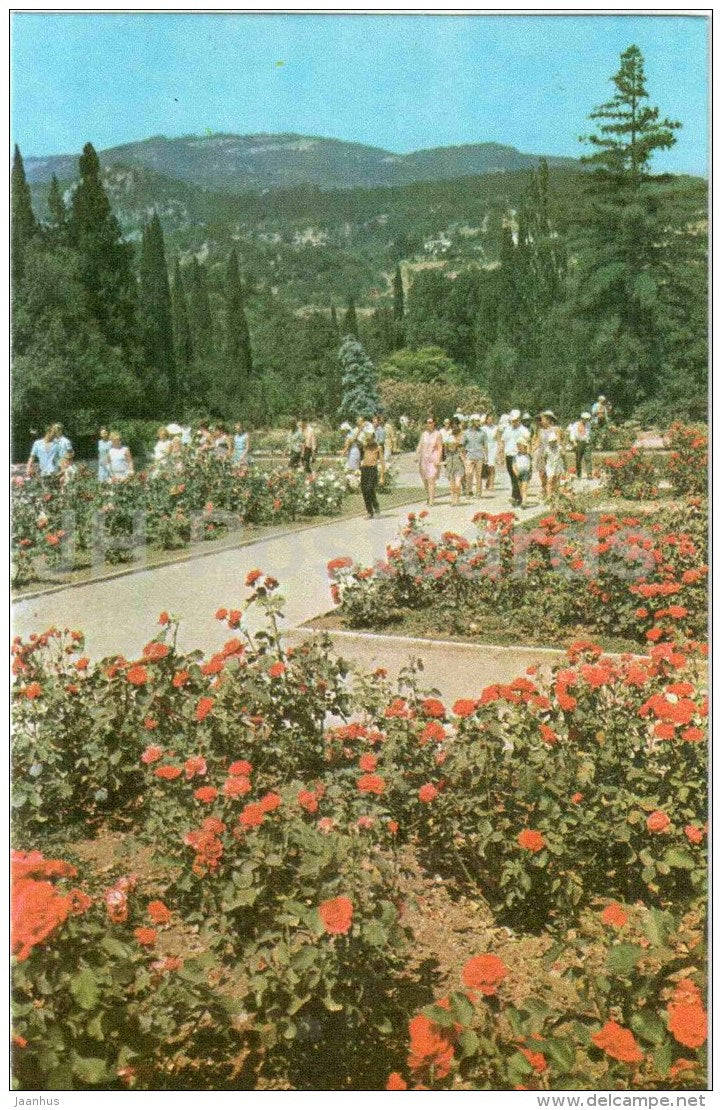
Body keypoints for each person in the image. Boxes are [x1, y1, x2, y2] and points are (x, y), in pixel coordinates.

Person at [416, 415, 443, 506]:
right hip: (424, 459)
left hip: (433, 459)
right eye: (427, 423)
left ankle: (431, 499)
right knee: (425, 479)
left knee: (431, 479)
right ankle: (428, 496)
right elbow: (420, 445)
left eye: (430, 422)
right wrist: (416, 455)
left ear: (434, 423)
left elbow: (440, 447)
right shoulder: (424, 434)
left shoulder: (438, 434)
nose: (429, 424)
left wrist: (438, 459)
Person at [502, 409, 525, 508]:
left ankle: (514, 496)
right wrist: (501, 454)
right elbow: (504, 441)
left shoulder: (523, 430)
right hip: (509, 455)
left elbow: (527, 442)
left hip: (518, 455)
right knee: (512, 476)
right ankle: (518, 497)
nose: (514, 422)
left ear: (519, 419)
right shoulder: (507, 429)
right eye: (512, 420)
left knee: (517, 476)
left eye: (515, 420)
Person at [463, 414, 486, 498]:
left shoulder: (482, 432)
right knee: (468, 474)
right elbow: (462, 445)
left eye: (479, 421)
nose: (478, 422)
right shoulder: (466, 433)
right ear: (472, 421)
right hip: (469, 455)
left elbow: (485, 445)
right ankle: (468, 491)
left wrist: (486, 457)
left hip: (479, 456)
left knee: (478, 475)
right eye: (477, 421)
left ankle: (478, 493)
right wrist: (463, 457)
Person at [359, 432, 381, 518]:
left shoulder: (378, 448)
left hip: (372, 469)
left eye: (370, 440)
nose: (368, 441)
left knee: (369, 489)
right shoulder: (364, 447)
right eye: (367, 440)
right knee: (364, 490)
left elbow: (382, 462)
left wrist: (382, 476)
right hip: (365, 469)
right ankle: (369, 511)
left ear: (373, 439)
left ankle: (376, 506)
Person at [445, 418, 466, 505]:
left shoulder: (462, 435)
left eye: (456, 425)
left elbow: (463, 449)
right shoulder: (449, 436)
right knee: (452, 484)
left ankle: (458, 497)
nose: (454, 427)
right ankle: (453, 499)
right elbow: (446, 449)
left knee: (457, 484)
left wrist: (465, 461)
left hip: (459, 462)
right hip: (451, 462)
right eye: (452, 426)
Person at [572, 412, 593, 479]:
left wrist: (588, 441)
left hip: (586, 443)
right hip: (578, 442)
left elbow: (588, 433)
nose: (586, 420)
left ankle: (589, 474)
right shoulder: (576, 424)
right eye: (585, 419)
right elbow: (572, 434)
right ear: (582, 418)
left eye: (587, 419)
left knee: (588, 458)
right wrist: (574, 442)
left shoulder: (588, 424)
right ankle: (579, 474)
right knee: (578, 459)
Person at [513, 435, 532, 508]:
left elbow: (530, 465)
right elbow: (514, 465)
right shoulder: (516, 456)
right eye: (519, 446)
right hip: (519, 473)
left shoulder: (528, 455)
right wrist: (516, 472)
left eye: (523, 447)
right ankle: (522, 499)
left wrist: (530, 472)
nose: (521, 448)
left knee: (524, 488)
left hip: (526, 473)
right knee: (520, 488)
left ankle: (524, 502)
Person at [544, 432, 565, 497]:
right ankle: (549, 495)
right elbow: (544, 457)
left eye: (554, 441)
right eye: (551, 441)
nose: (552, 442)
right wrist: (546, 465)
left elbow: (563, 456)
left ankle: (555, 494)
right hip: (550, 465)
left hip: (558, 465)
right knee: (550, 480)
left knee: (557, 480)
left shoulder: (559, 447)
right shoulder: (547, 448)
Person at [483, 413, 500, 492]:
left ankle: (491, 485)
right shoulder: (483, 428)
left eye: (492, 419)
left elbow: (498, 439)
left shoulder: (496, 428)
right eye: (489, 419)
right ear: (486, 420)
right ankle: (487, 482)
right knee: (487, 467)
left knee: (492, 466)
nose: (490, 421)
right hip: (485, 447)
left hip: (493, 446)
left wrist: (499, 450)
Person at [373, 413, 387, 486]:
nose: (374, 423)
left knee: (381, 463)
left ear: (378, 422)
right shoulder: (373, 430)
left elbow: (381, 441)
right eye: (373, 422)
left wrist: (374, 443)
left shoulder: (381, 430)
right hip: (374, 449)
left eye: (375, 422)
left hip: (379, 448)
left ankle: (382, 478)